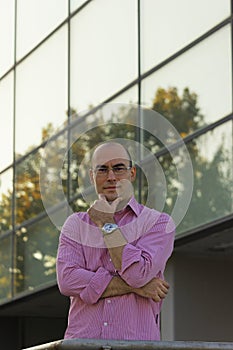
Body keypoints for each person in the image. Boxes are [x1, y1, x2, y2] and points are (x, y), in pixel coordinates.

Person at [56, 141, 175, 341]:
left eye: (118, 168)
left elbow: (137, 274)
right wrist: (136, 288)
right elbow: (67, 280)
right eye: (102, 169)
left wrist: (107, 223)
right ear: (92, 176)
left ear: (132, 173)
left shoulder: (159, 223)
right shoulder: (75, 225)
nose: (111, 177)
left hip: (137, 346)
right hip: (83, 345)